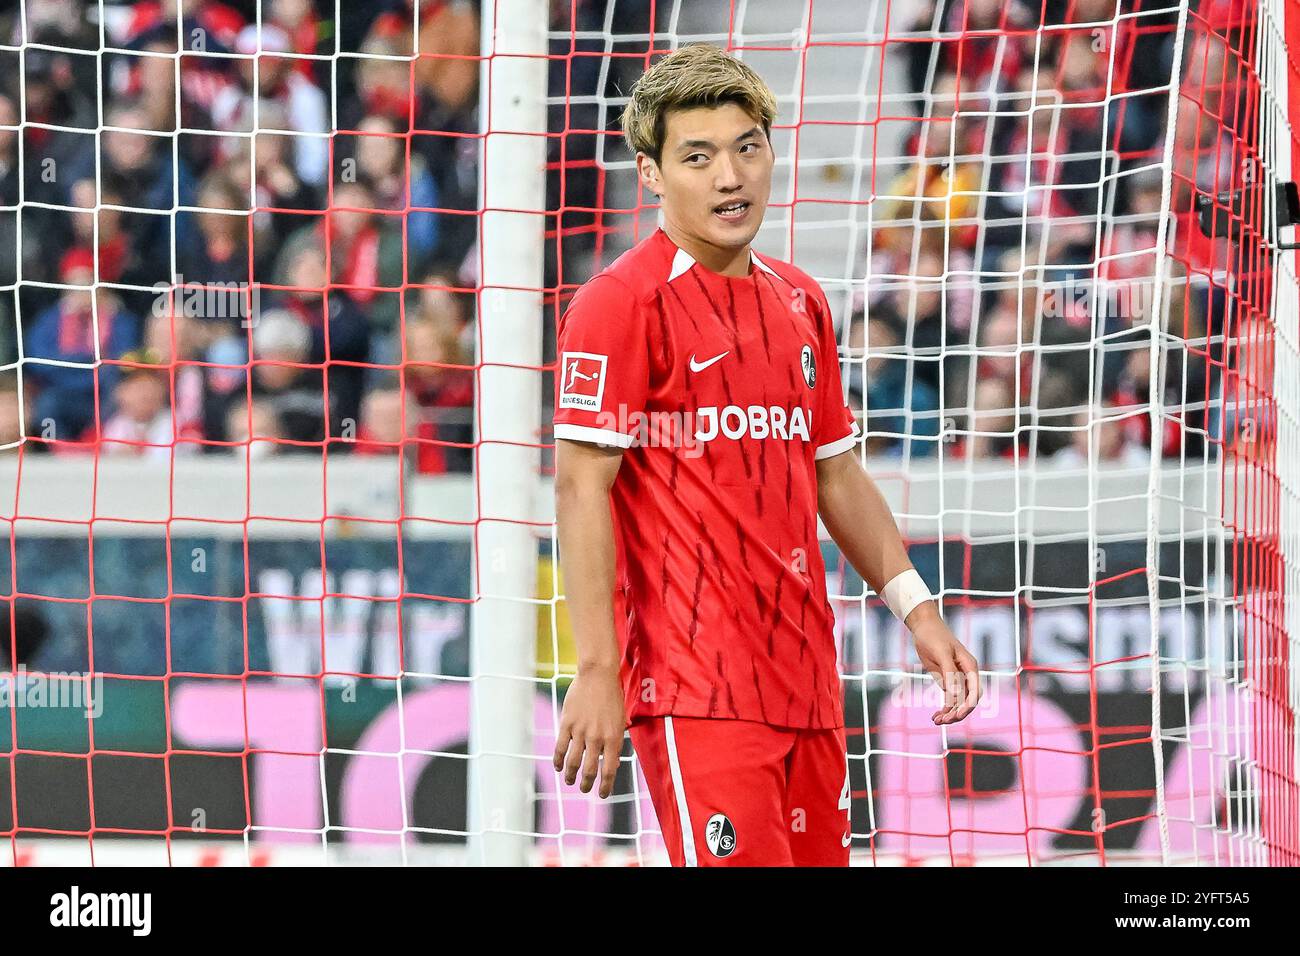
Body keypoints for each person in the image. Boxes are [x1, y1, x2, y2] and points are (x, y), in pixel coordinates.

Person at [550, 44, 982, 868]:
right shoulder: (618, 303)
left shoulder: (801, 299)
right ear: (650, 175)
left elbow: (835, 472)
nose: (730, 177)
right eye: (698, 156)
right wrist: (599, 667)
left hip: (808, 679)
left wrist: (918, 612)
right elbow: (579, 488)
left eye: (748, 147)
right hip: (694, 686)